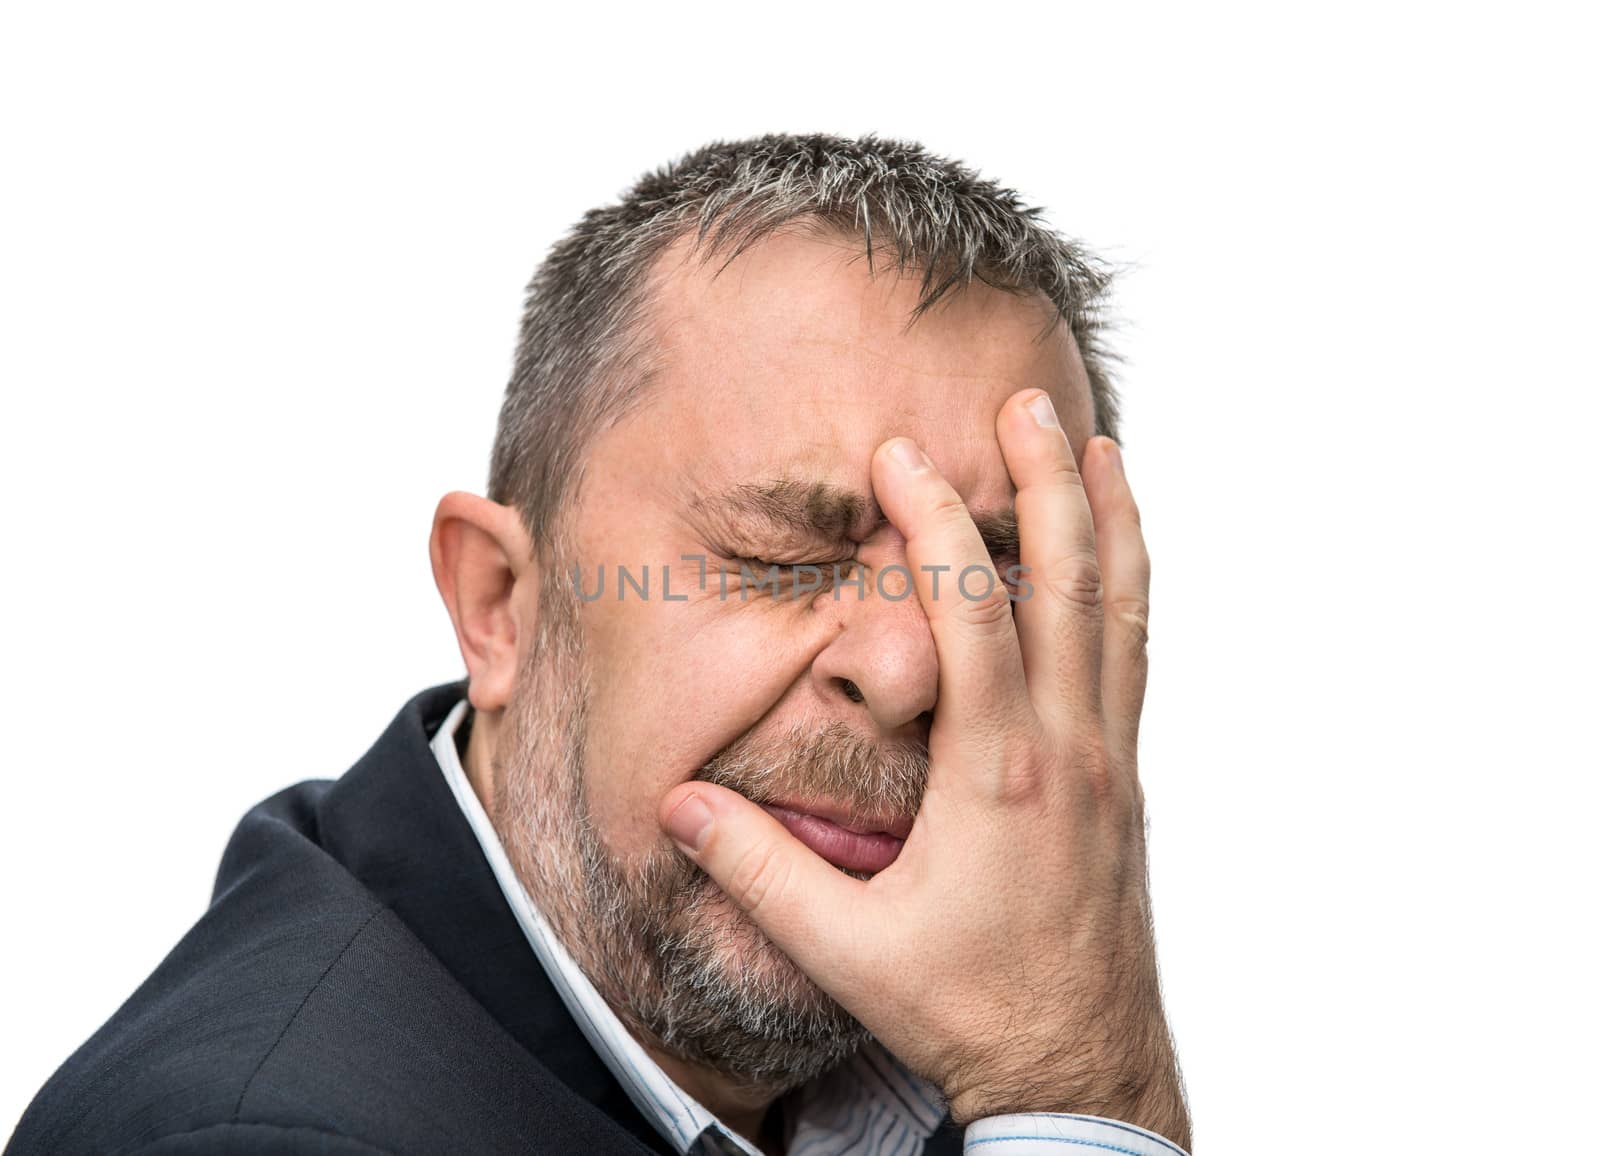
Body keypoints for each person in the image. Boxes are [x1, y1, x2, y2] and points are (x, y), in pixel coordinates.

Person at [7, 134, 1191, 1156]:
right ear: (500, 606)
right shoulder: (254, 1136)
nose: (902, 671)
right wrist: (1077, 1086)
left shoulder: (923, 1042)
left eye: (986, 578)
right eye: (783, 553)